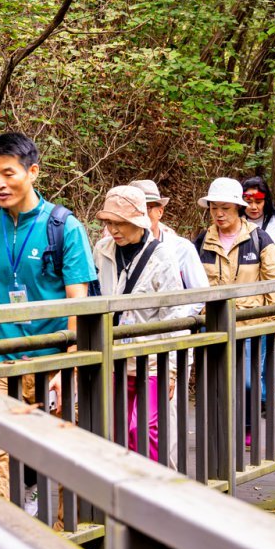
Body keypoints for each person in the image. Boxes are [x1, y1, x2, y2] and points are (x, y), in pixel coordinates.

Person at [0, 132, 96, 504]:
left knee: (61, 457)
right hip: (3, 359)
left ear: (32, 172)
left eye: (8, 173)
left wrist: (68, 368)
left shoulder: (64, 227)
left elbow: (77, 304)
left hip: (52, 362)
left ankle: (66, 541)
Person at [93, 186, 201, 462]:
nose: (113, 230)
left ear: (138, 222)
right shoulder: (103, 250)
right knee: (116, 433)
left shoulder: (162, 255)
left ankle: (154, 491)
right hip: (114, 357)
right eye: (109, 223)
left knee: (143, 428)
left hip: (151, 360)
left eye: (120, 223)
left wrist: (174, 369)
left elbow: (175, 314)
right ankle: (124, 494)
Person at [194, 178, 275, 440]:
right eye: (214, 208)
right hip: (214, 323)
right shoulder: (203, 241)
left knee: (247, 381)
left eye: (225, 208)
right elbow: (193, 283)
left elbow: (274, 282)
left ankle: (247, 426)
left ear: (238, 207)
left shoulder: (259, 239)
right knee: (217, 382)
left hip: (250, 322)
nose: (219, 214)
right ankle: (220, 429)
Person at [132, 179, 207, 290]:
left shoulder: (182, 248)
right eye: (135, 210)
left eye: (147, 208)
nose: (141, 215)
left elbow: (200, 293)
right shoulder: (113, 248)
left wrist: (181, 308)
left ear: (160, 212)